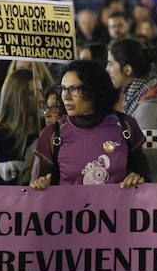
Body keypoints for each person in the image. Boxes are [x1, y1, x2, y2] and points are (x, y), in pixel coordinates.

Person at [30, 60, 149, 189]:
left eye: (74, 89)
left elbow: (145, 175)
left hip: (119, 208)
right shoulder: (52, 135)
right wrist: (40, 184)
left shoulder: (126, 126)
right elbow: (35, 191)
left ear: (95, 90)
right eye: (63, 89)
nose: (65, 97)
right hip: (68, 209)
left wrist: (136, 178)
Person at [107, 37, 157, 182]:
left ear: (127, 70)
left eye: (110, 63)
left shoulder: (149, 108)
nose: (107, 69)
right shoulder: (147, 97)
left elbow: (152, 166)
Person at [0, 68, 39, 183]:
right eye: (33, 94)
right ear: (17, 98)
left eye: (41, 92)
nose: (41, 99)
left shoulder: (46, 132)